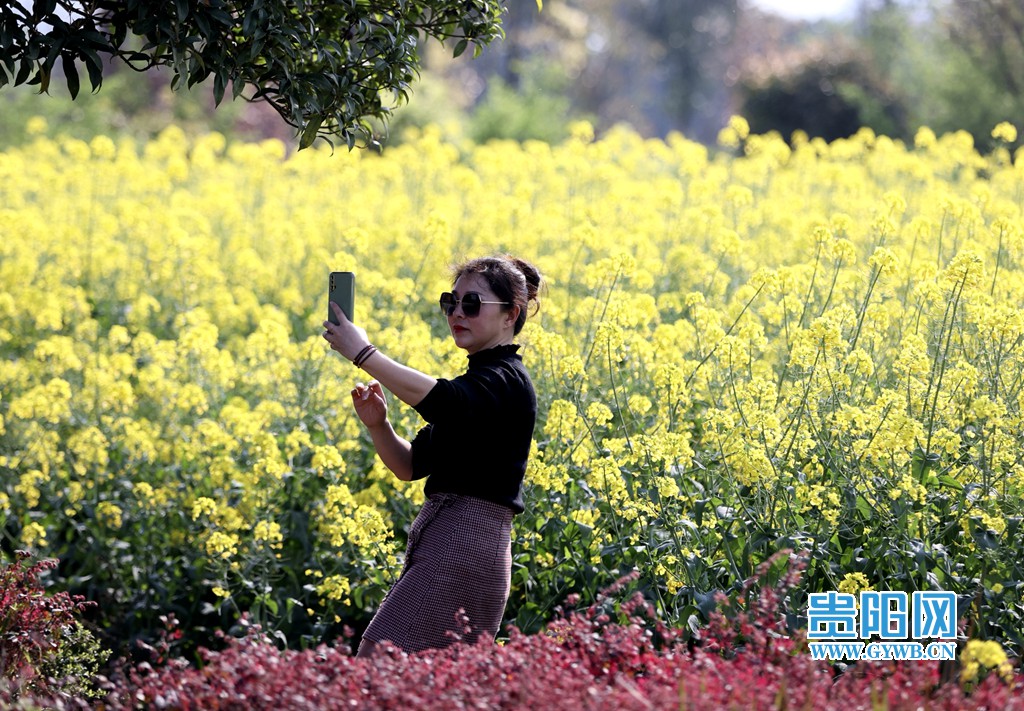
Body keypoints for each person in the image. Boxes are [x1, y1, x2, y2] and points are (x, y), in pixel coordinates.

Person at [321, 254, 542, 657]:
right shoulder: (481, 384)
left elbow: (445, 402)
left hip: (466, 542)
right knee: (428, 679)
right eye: (450, 302)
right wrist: (378, 425)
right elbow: (410, 465)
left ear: (510, 315)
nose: (456, 313)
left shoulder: (505, 381)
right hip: (453, 540)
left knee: (379, 659)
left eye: (471, 304)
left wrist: (364, 354)